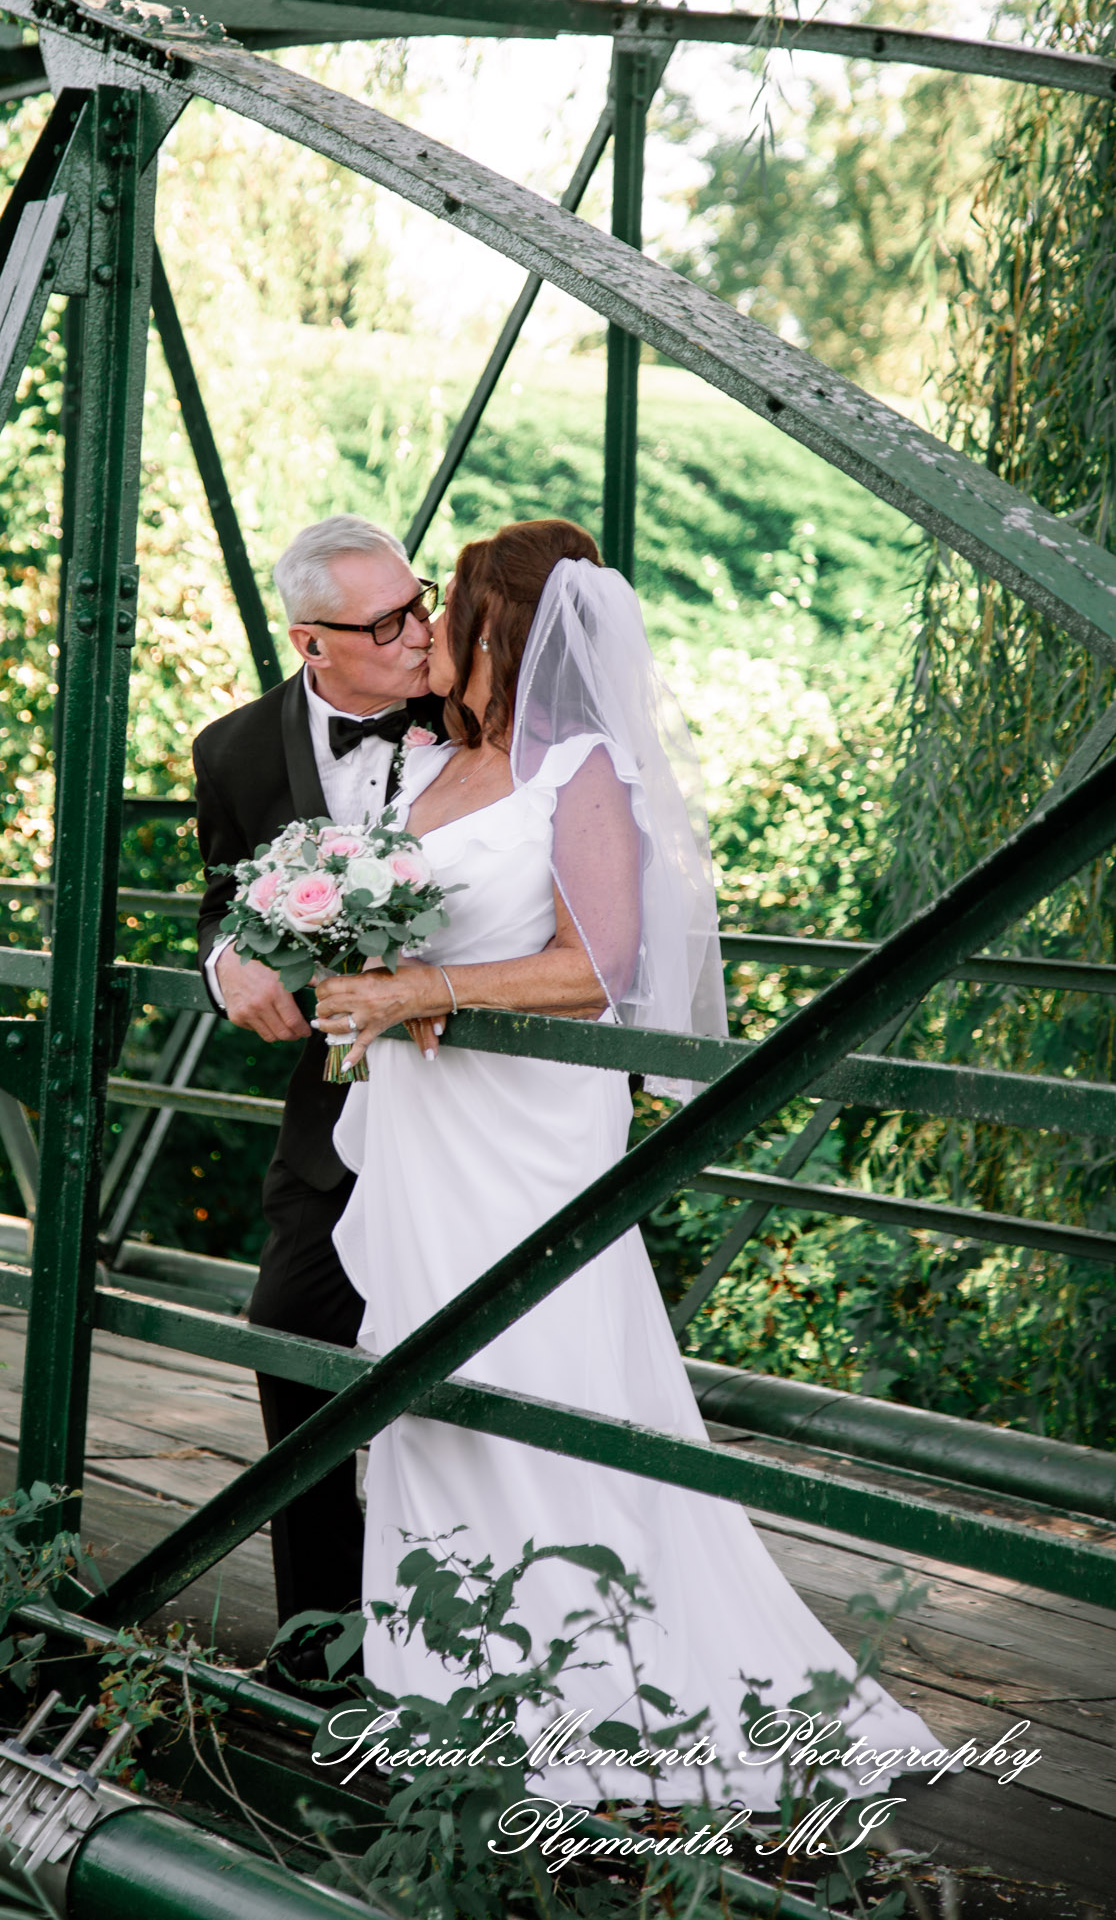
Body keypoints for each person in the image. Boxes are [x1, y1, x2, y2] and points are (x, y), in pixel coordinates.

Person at [311, 517, 943, 1809]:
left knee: (536, 1373)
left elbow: (596, 968)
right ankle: (444, 1691)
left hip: (528, 1137)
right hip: (430, 1127)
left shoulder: (580, 768)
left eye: (453, 608)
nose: (427, 628)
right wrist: (357, 968)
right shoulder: (424, 766)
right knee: (428, 1385)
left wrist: (424, 982)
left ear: (509, 630)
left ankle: (586, 1687)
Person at [193, 515, 444, 1655]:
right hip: (332, 1111)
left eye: (420, 601)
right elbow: (221, 904)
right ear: (311, 642)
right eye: (385, 622)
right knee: (289, 1334)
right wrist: (229, 961)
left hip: (468, 1099)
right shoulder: (235, 754)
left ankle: (456, 1635)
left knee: (464, 1373)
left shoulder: (476, 710)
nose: (417, 632)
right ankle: (316, 1641)